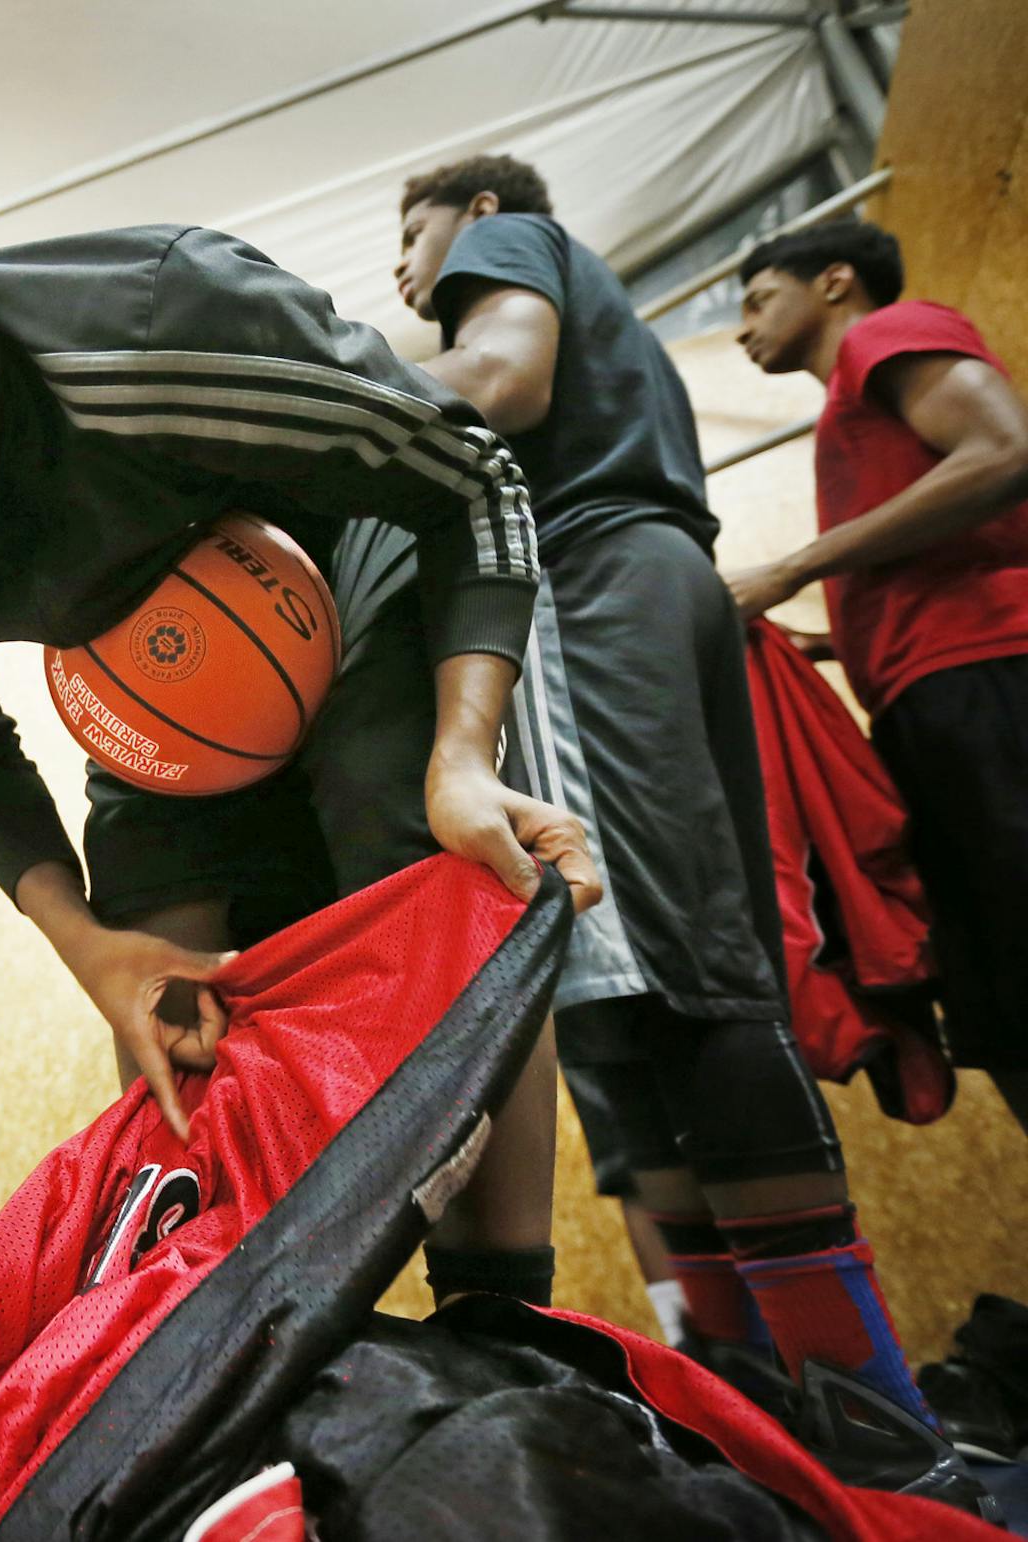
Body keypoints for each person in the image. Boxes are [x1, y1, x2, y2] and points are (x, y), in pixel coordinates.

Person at [0, 136, 596, 1313]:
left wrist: (464, 756)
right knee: (161, 981)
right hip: (151, 687)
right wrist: (89, 949)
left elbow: (470, 478)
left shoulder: (164, 324)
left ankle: (506, 1314)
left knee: (410, 838)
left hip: (353, 573)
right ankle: (208, 1325)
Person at [391, 156, 941, 1445]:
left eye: (414, 236)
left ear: (479, 217)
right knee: (646, 1001)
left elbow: (499, 380)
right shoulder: (610, 327)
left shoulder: (511, 242)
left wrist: (311, 377)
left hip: (587, 584)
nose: (406, 268)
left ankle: (877, 1437)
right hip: (657, 586)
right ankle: (772, 1413)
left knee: (668, 986)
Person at [730, 219, 1028, 1136]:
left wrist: (791, 569)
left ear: (833, 281)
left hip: (986, 673)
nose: (742, 327)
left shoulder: (883, 334)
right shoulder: (852, 407)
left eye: (758, 299)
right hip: (934, 694)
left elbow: (1006, 453)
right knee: (999, 983)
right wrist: (830, 645)